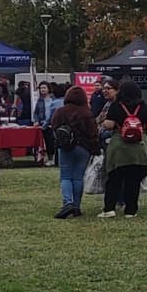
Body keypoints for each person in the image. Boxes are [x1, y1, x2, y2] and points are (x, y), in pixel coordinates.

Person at [97, 79, 147, 219]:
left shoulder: (116, 106)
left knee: (114, 179)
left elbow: (109, 125)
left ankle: (109, 209)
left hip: (119, 148)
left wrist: (103, 121)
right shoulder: (144, 107)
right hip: (138, 149)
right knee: (133, 181)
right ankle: (131, 211)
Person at [49, 85, 98, 219]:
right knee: (78, 177)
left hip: (65, 147)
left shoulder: (60, 111)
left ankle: (67, 203)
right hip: (84, 148)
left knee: (65, 176)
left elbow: (53, 127)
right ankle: (76, 206)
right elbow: (93, 133)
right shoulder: (87, 113)